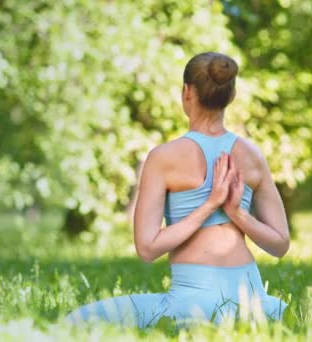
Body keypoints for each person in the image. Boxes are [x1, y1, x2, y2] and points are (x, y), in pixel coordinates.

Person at [63, 52, 290, 329]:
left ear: (187, 92)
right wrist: (237, 214)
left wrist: (210, 206)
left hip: (193, 302)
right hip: (253, 299)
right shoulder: (252, 155)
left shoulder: (163, 157)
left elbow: (147, 249)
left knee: (75, 321)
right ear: (231, 96)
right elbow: (280, 245)